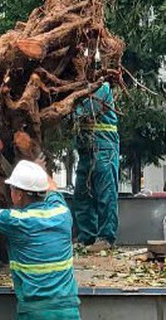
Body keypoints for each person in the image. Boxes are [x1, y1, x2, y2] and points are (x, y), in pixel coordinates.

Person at [0, 160, 80, 320]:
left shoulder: (16, 221)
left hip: (35, 312)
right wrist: (37, 171)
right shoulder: (61, 212)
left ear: (19, 195)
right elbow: (52, 187)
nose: (10, 192)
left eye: (12, 189)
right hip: (69, 310)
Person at [72, 80, 119, 252]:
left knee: (105, 194)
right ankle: (87, 238)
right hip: (86, 150)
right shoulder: (78, 89)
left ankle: (107, 238)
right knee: (82, 194)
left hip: (104, 148)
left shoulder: (102, 88)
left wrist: (68, 106)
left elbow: (86, 112)